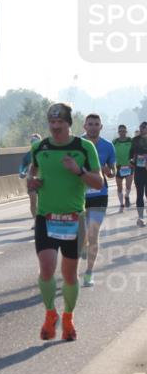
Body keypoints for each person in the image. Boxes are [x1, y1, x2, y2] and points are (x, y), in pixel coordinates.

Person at [26, 103, 103, 341]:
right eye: (52, 122)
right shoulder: (40, 147)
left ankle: (68, 318)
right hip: (46, 218)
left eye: (60, 122)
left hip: (73, 218)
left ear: (69, 124)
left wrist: (78, 171)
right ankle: (51, 315)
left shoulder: (84, 147)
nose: (56, 126)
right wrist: (32, 182)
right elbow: (32, 173)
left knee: (69, 275)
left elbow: (98, 183)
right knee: (46, 269)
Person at [79, 114, 116, 287]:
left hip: (99, 195)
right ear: (84, 126)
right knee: (79, 236)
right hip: (77, 195)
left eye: (96, 124)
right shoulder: (76, 144)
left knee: (93, 234)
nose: (93, 127)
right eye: (90, 124)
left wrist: (108, 170)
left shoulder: (108, 146)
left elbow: (113, 171)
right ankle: (83, 246)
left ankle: (88, 273)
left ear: (101, 127)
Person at [19, 133, 42, 225]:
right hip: (31, 180)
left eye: (36, 141)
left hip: (43, 180)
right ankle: (35, 221)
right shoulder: (28, 155)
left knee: (43, 202)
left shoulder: (45, 153)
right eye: (32, 141)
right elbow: (23, 165)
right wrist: (22, 172)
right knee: (33, 200)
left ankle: (43, 219)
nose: (34, 143)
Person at [113, 124, 133, 210]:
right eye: (120, 131)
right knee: (119, 187)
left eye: (124, 131)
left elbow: (135, 152)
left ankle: (127, 196)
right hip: (119, 167)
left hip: (129, 166)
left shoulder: (130, 140)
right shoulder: (114, 142)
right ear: (118, 132)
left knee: (128, 186)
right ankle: (121, 204)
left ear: (126, 131)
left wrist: (132, 162)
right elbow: (110, 154)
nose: (122, 133)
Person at [132, 121, 147, 227]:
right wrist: (131, 161)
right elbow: (131, 153)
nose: (141, 129)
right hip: (139, 170)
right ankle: (140, 218)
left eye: (144, 127)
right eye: (140, 127)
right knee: (140, 194)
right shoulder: (135, 140)